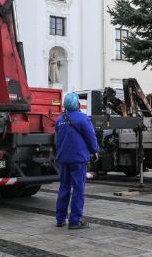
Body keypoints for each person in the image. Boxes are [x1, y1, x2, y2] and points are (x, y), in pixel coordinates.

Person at [55, 92, 99, 229]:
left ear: (65, 105)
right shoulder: (83, 119)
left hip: (63, 158)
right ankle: (75, 221)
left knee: (64, 188)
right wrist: (95, 151)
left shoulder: (59, 120)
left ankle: (60, 219)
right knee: (78, 189)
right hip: (78, 159)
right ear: (78, 104)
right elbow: (91, 137)